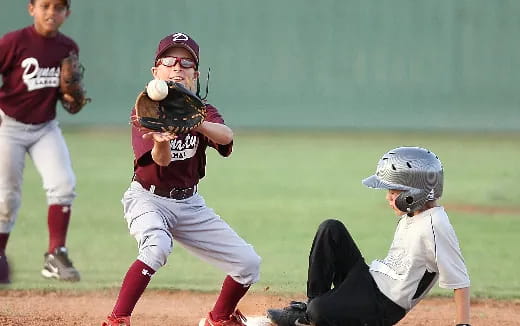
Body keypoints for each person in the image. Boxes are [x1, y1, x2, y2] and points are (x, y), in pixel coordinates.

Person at [101, 32, 261, 326]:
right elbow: (161, 161)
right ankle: (117, 319)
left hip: (190, 204)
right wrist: (162, 140)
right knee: (157, 246)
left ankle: (220, 317)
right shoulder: (145, 110)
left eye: (186, 63)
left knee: (248, 264)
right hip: (147, 197)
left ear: (196, 75)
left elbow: (226, 138)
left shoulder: (203, 110)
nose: (178, 67)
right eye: (169, 61)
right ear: (156, 72)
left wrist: (197, 122)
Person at [267, 147, 471, 326]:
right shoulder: (413, 215)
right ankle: (308, 311)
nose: (387, 197)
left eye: (393, 192)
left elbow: (459, 279)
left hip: (383, 306)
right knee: (331, 229)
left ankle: (313, 314)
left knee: (320, 312)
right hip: (369, 281)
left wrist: (463, 324)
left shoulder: (436, 225)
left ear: (413, 193)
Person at [0, 0, 82, 284]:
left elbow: (69, 99)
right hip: (8, 126)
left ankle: (55, 254)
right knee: (6, 198)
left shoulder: (67, 47)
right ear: (31, 8)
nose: (51, 12)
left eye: (58, 7)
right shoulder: (13, 42)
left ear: (67, 14)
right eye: (45, 5)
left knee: (63, 184)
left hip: (45, 127)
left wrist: (71, 97)